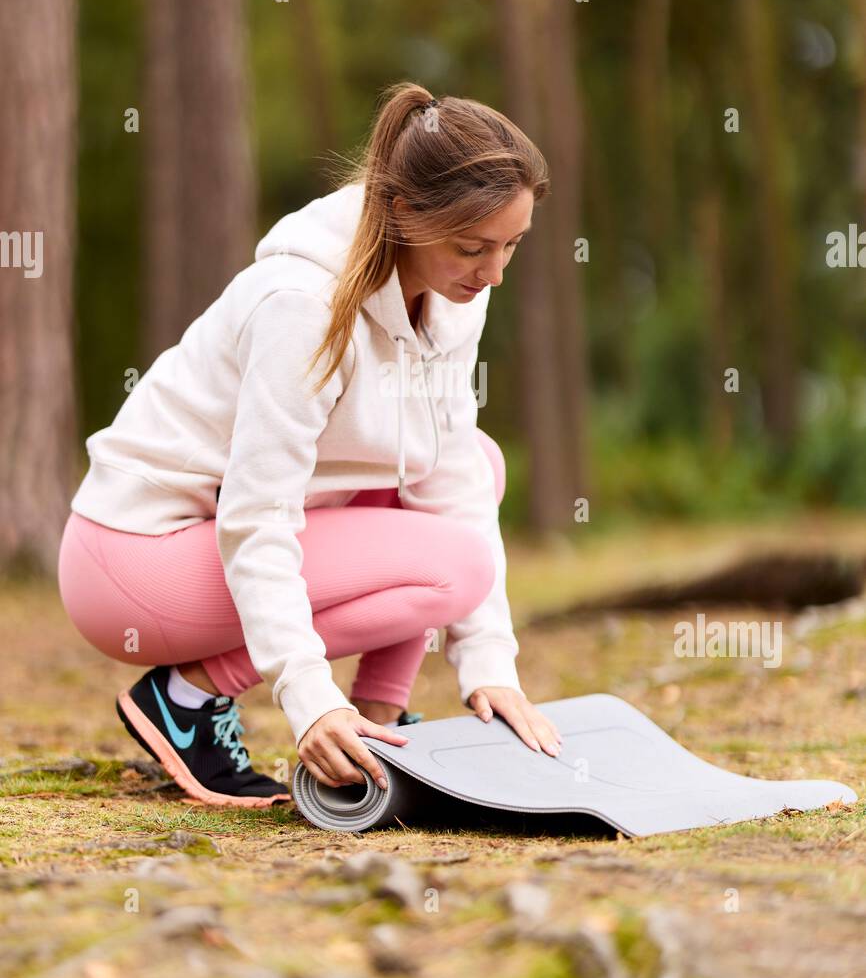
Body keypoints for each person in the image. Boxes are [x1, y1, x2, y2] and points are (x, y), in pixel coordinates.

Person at [57, 81, 563, 809]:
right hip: (132, 562)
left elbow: (450, 476)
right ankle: (186, 699)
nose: (493, 274)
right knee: (453, 565)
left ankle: (382, 724)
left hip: (205, 544)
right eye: (473, 248)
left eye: (512, 245)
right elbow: (258, 514)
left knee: (477, 465)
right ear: (404, 214)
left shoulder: (453, 296)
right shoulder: (300, 305)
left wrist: (491, 667)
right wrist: (308, 697)